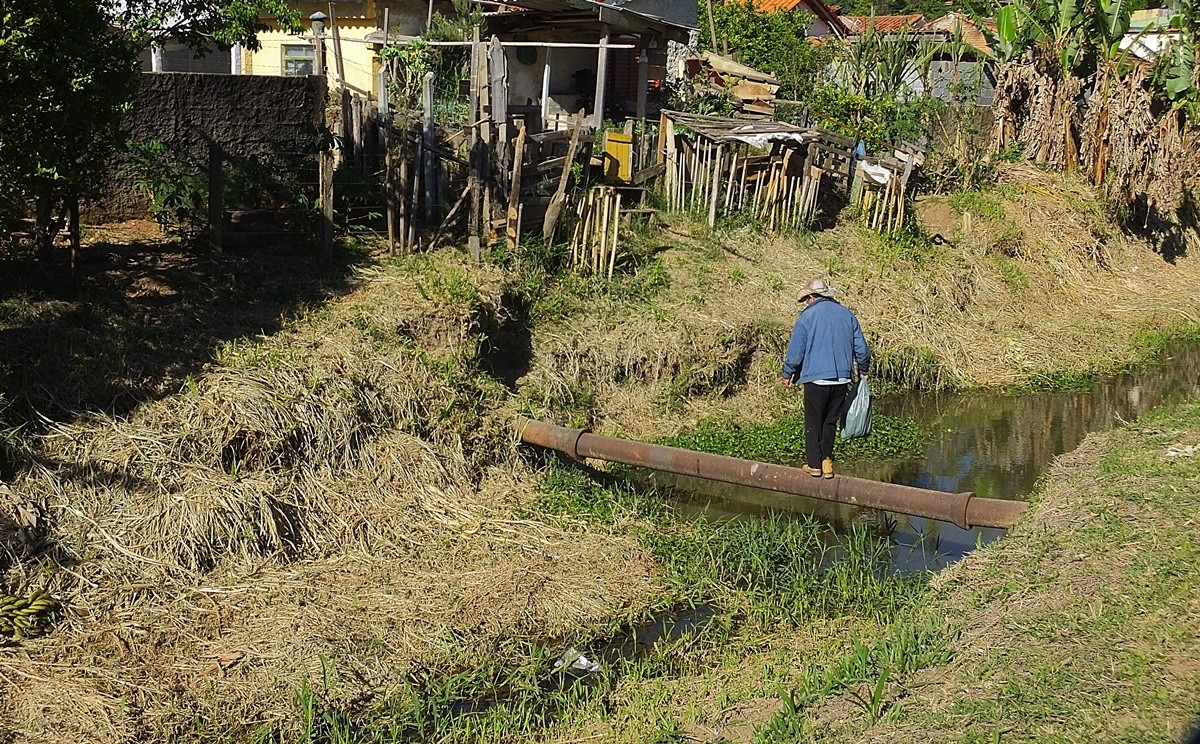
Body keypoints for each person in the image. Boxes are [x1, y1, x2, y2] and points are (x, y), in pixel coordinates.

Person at [781, 279, 871, 479]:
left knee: (814, 421)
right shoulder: (847, 315)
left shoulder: (807, 317)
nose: (806, 302)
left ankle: (814, 465)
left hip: (816, 380)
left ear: (812, 297)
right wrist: (863, 371)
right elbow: (862, 350)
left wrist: (788, 373)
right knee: (830, 422)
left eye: (807, 299)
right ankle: (827, 462)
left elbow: (796, 351)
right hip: (841, 379)